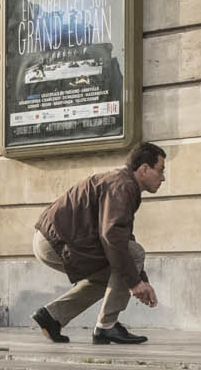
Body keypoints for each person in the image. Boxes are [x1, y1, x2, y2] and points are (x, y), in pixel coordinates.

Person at [31, 143, 166, 345]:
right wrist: (134, 281)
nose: (163, 178)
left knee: (115, 273)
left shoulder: (122, 183)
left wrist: (141, 280)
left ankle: (52, 317)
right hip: (58, 242)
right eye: (161, 170)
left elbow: (123, 236)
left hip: (51, 240)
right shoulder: (122, 186)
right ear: (144, 169)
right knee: (131, 257)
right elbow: (112, 236)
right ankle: (107, 327)